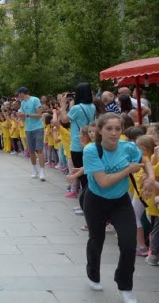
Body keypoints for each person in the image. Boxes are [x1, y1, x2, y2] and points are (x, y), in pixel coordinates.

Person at [82, 113, 155, 303]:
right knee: (97, 240)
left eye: (117, 129)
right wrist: (128, 170)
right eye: (109, 129)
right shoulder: (91, 150)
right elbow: (104, 182)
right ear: (99, 130)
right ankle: (93, 273)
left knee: (129, 244)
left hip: (120, 201)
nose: (114, 133)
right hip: (96, 201)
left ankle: (125, 285)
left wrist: (151, 178)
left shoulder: (128, 147)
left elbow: (145, 159)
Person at [60, 83, 97, 209]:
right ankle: (87, 203)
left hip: (77, 143)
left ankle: (87, 205)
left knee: (82, 177)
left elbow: (64, 119)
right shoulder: (92, 106)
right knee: (88, 175)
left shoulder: (77, 108)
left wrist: (63, 105)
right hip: (89, 142)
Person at [18, 87, 46, 181]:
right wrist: (20, 116)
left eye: (19, 94)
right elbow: (22, 117)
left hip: (38, 127)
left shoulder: (35, 100)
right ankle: (34, 169)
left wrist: (26, 115)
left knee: (40, 149)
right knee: (32, 150)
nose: (18, 96)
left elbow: (39, 115)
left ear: (22, 93)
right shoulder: (22, 103)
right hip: (28, 129)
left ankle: (42, 171)